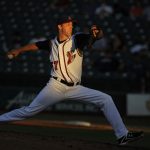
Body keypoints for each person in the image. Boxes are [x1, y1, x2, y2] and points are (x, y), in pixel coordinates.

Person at [0, 15, 143, 145]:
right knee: (29, 111)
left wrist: (97, 33)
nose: (71, 26)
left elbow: (94, 37)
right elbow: (35, 45)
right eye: (67, 24)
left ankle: (122, 135)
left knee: (106, 99)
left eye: (72, 24)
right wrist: (19, 50)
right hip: (55, 86)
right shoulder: (51, 44)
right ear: (60, 26)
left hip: (76, 88)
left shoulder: (77, 39)